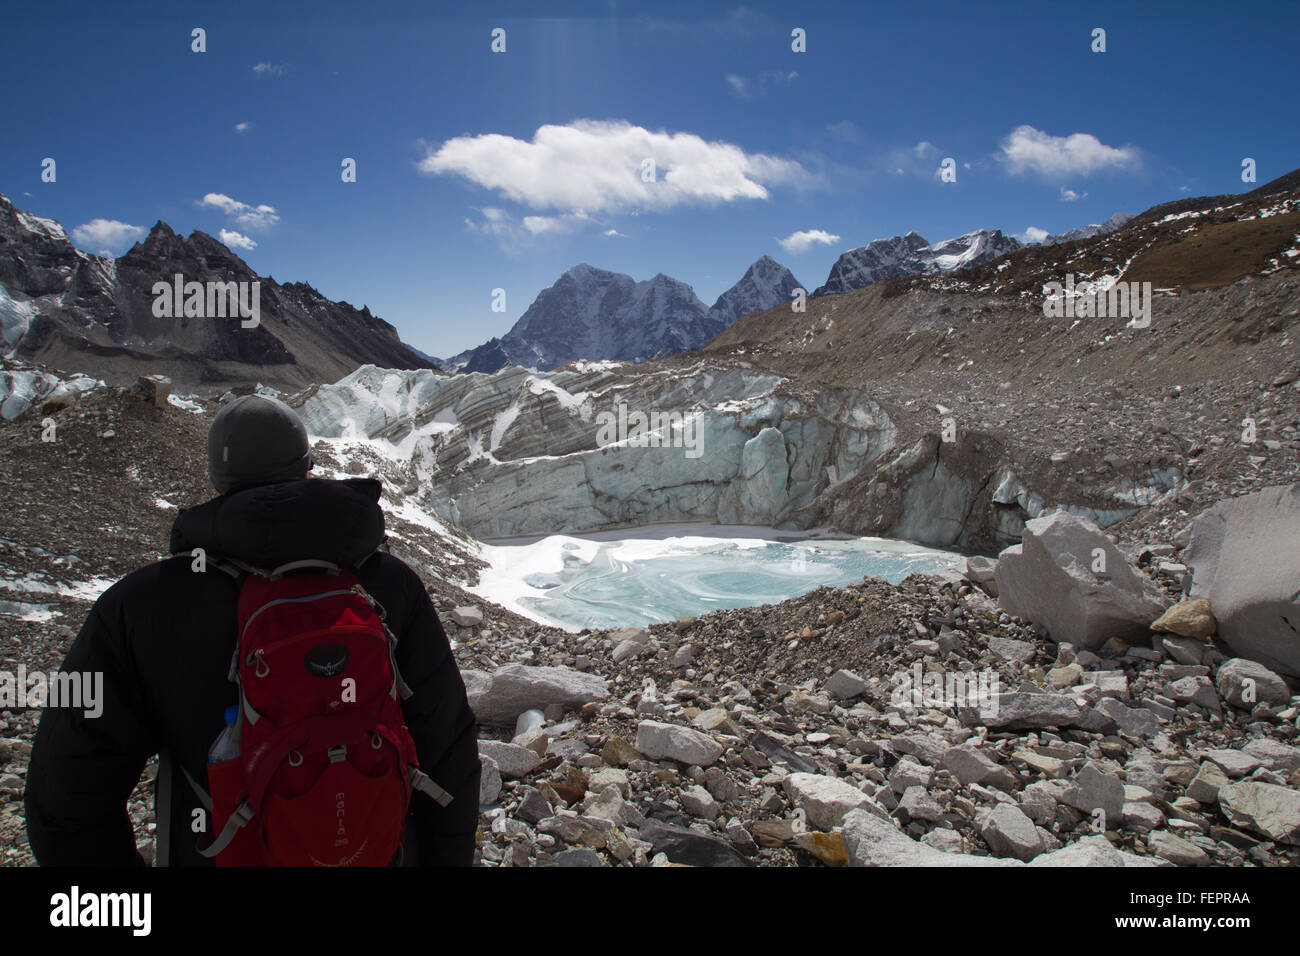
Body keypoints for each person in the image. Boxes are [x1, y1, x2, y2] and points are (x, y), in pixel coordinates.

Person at [24, 394, 481, 865]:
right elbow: (446, 746)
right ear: (308, 466)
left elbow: (68, 791)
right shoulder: (389, 584)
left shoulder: (142, 603)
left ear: (217, 478)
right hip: (368, 848)